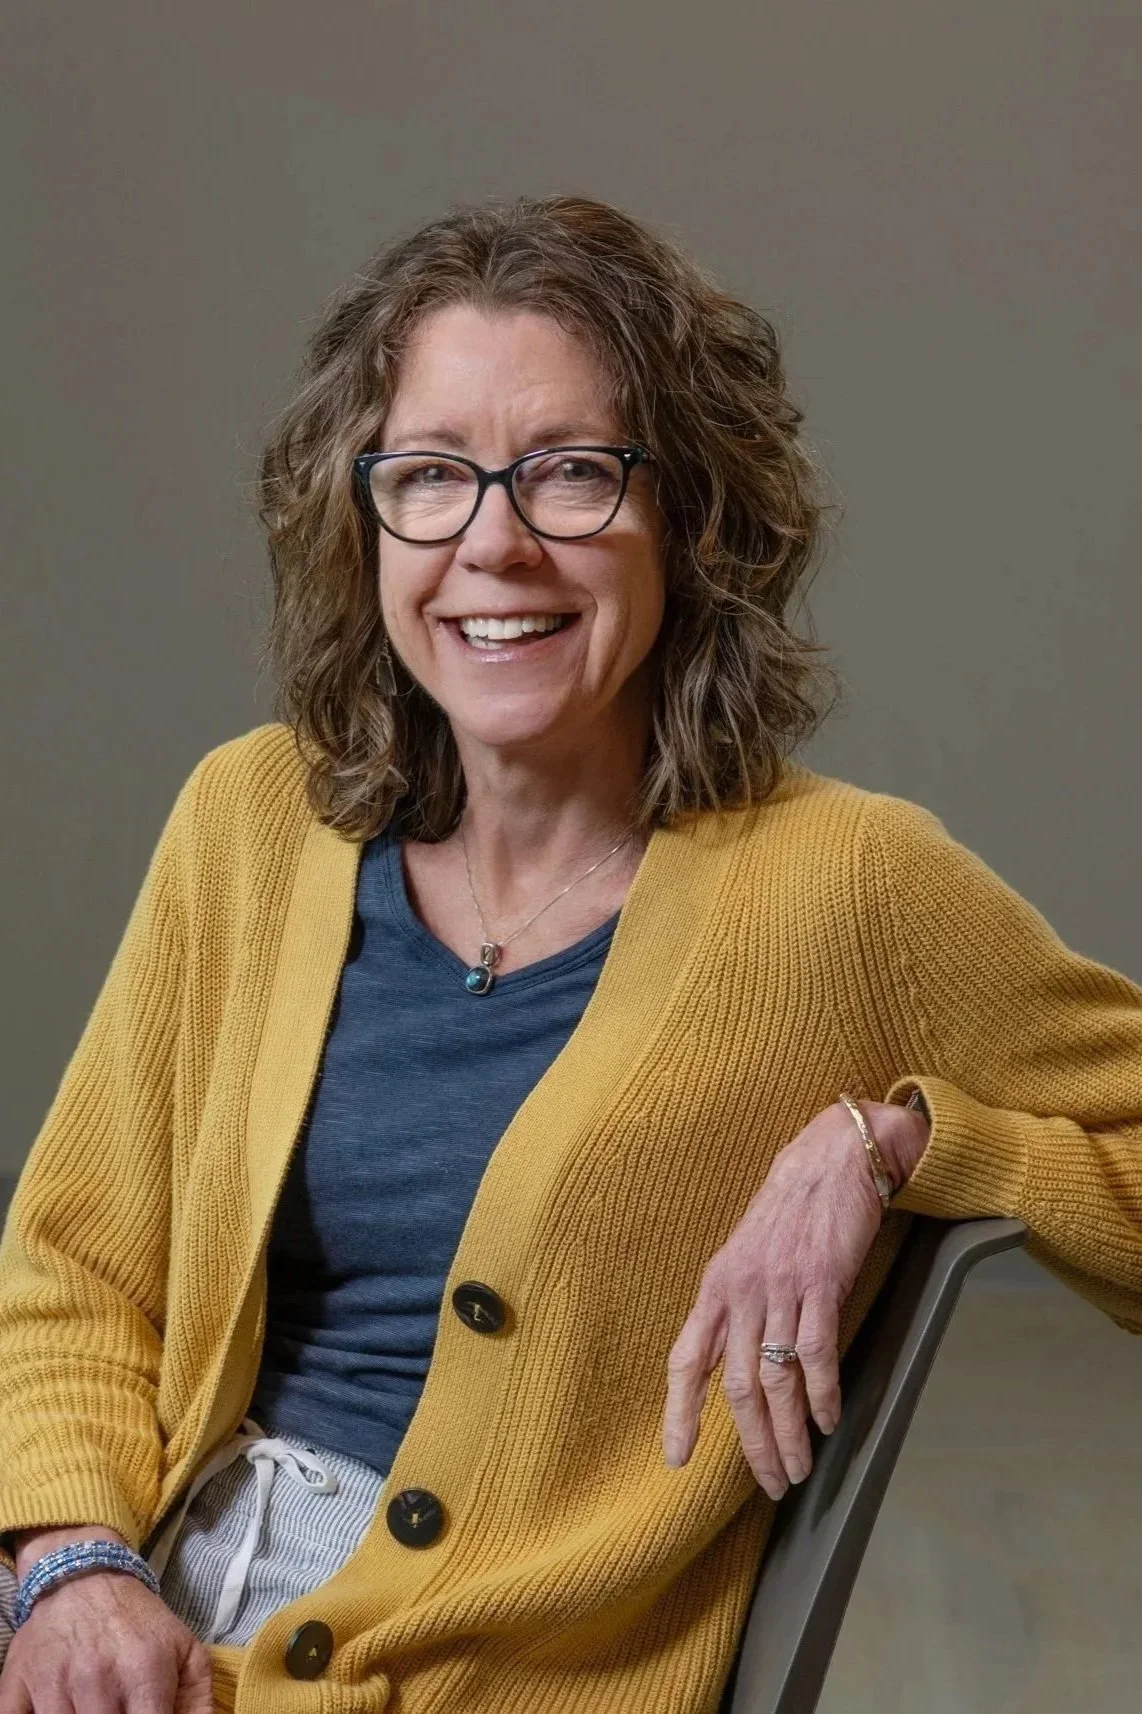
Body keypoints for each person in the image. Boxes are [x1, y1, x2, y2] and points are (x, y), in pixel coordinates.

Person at [0, 194, 1139, 1714]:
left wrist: (903, 1141)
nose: (494, 540)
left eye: (572, 474)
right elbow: (75, 1265)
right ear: (366, 518)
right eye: (430, 476)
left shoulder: (845, 886)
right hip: (132, 1599)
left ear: (692, 516)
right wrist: (70, 1568)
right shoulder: (247, 821)